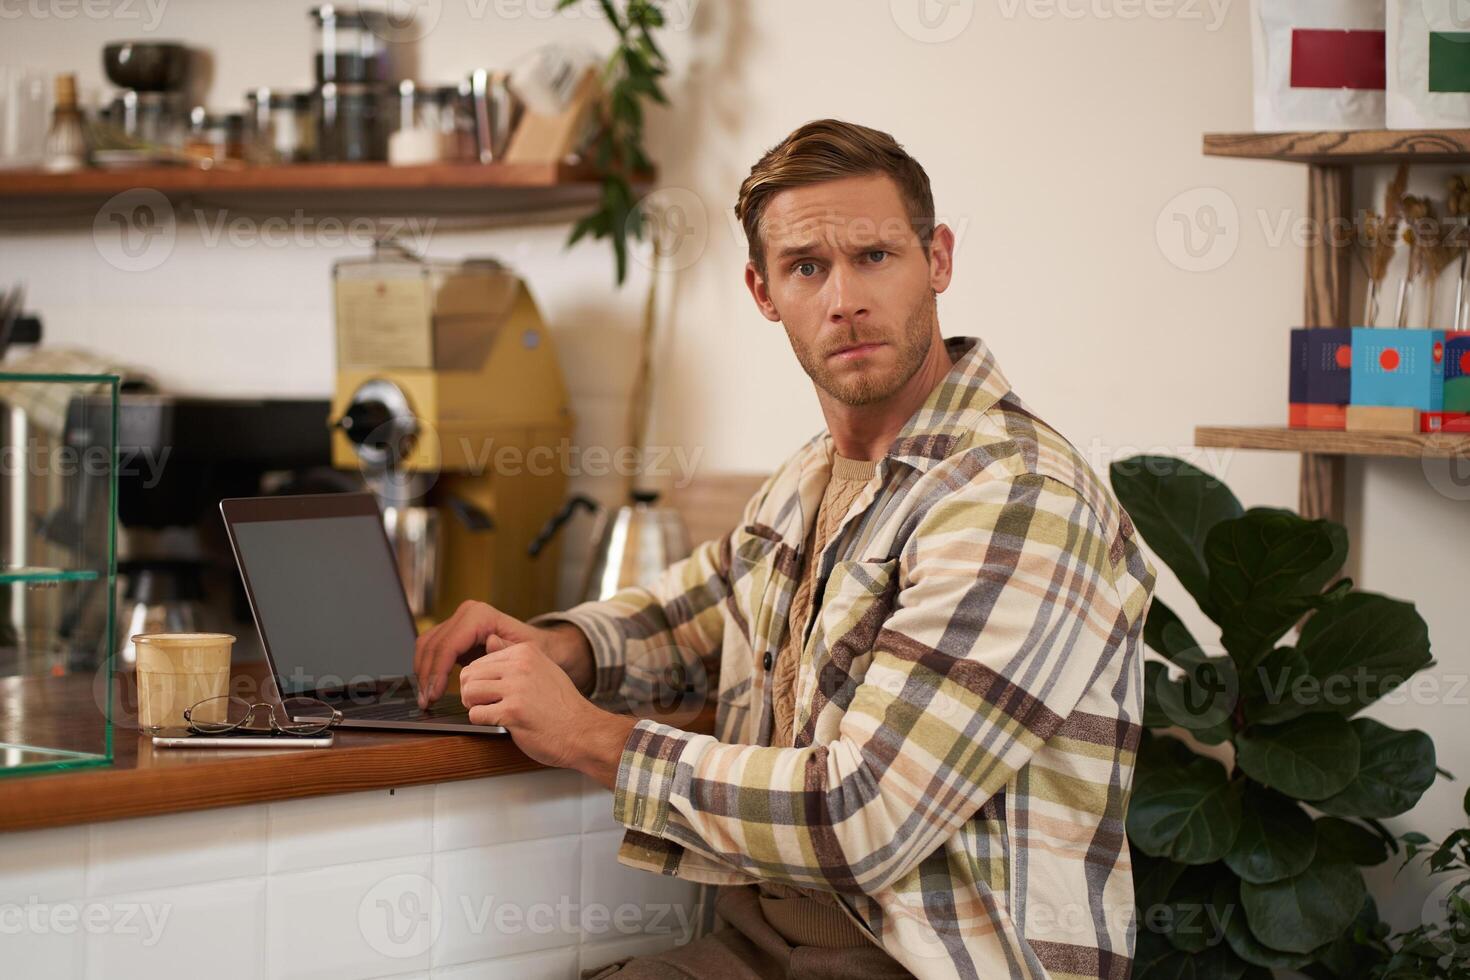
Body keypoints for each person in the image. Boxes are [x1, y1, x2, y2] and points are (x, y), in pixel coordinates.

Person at [413, 118, 1156, 980]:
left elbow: (862, 815)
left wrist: (590, 737)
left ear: (938, 260)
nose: (844, 299)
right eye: (808, 268)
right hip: (761, 945)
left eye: (875, 256)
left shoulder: (1018, 498)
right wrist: (560, 646)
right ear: (765, 293)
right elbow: (695, 610)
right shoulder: (808, 477)